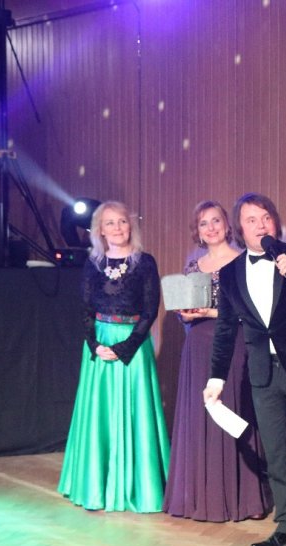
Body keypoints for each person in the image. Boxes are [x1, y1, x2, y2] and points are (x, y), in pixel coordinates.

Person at [203, 193, 286, 546]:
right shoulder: (230, 273)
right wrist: (216, 378)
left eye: (265, 217)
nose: (260, 225)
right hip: (262, 373)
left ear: (275, 222)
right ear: (240, 229)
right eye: (251, 219)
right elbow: (226, 329)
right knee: (276, 454)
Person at [57, 201, 170, 512]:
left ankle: (142, 489)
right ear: (100, 230)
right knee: (99, 413)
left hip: (133, 346)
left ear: (130, 226)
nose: (117, 227)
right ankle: (95, 486)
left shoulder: (144, 262)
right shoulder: (93, 263)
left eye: (122, 221)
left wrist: (125, 347)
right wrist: (95, 344)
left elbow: (150, 310)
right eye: (110, 223)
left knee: (136, 413)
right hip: (100, 344)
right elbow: (85, 308)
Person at [163, 201, 273, 521]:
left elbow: (252, 313)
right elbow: (187, 312)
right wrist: (186, 314)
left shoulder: (242, 261)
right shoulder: (194, 266)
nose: (210, 228)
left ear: (227, 225)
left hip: (233, 345)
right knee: (201, 418)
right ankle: (198, 497)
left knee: (234, 413)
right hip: (197, 347)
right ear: (197, 232)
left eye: (215, 221)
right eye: (203, 224)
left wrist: (211, 312)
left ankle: (243, 500)